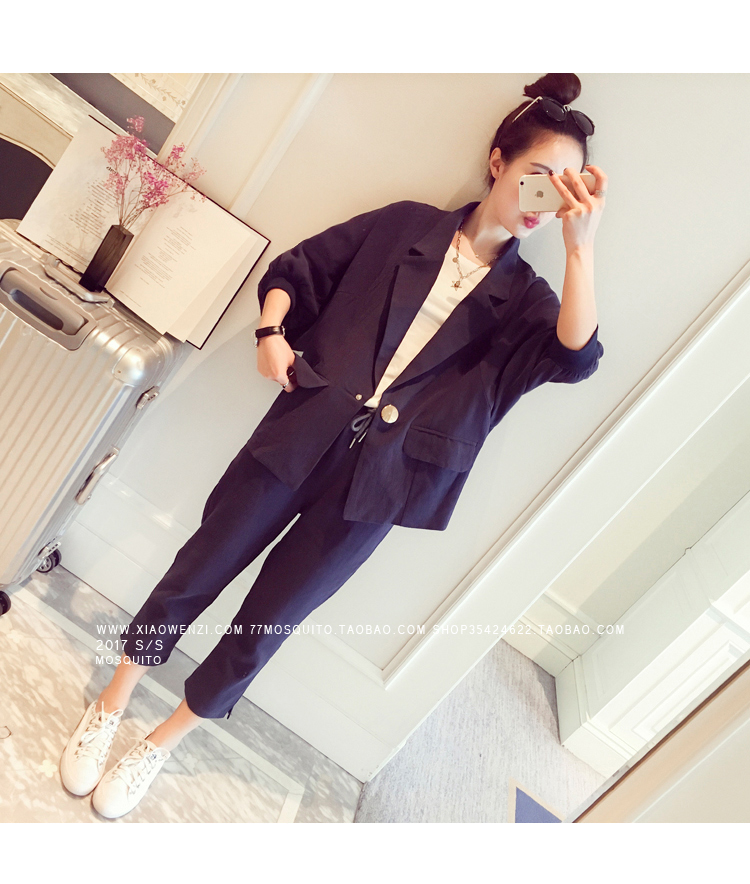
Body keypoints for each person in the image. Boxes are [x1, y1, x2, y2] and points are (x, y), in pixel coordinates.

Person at [60, 72, 607, 818]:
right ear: (497, 161)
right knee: (200, 567)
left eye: (564, 189)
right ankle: (114, 700)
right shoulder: (406, 226)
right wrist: (270, 332)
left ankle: (163, 738)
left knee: (268, 622)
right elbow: (298, 270)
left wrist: (581, 250)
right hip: (300, 432)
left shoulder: (530, 303)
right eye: (538, 175)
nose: (546, 200)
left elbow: (576, 358)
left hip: (378, 487)